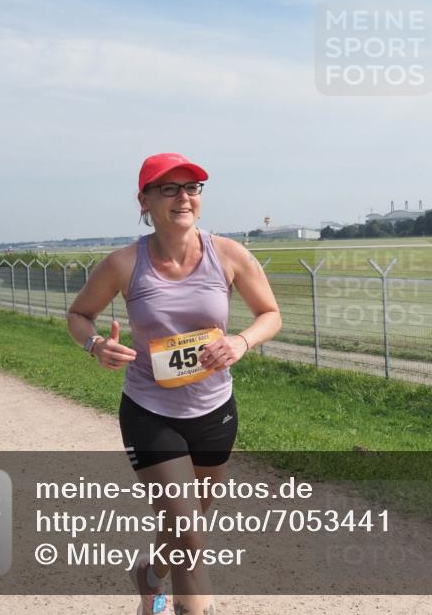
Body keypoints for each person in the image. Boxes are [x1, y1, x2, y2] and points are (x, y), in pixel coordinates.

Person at [67, 153, 281, 615]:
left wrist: (242, 341)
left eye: (192, 188)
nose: (183, 197)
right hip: (150, 412)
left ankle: (150, 575)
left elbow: (270, 314)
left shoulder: (229, 254)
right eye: (169, 188)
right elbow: (79, 314)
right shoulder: (124, 263)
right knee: (189, 534)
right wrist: (95, 345)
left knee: (186, 525)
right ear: (144, 201)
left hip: (214, 411)